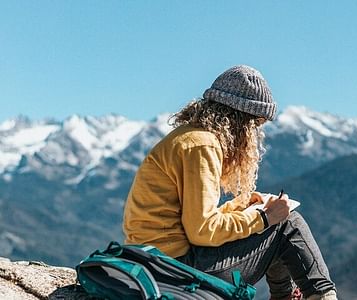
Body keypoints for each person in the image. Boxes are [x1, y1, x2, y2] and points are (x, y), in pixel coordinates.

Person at [123, 65, 337, 300]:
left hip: (154, 261)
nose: (254, 135)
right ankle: (322, 295)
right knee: (287, 223)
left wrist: (241, 207)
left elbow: (190, 221)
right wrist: (264, 218)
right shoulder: (202, 145)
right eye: (255, 125)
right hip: (175, 269)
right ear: (240, 120)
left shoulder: (188, 137)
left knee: (275, 225)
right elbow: (202, 231)